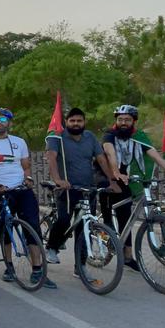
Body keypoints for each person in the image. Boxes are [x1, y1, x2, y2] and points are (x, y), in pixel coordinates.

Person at [0, 108, 55, 289]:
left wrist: (28, 178)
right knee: (5, 228)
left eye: (3, 119)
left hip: (21, 190)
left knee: (32, 227)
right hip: (1, 191)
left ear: (10, 123)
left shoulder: (19, 142)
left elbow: (26, 167)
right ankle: (9, 266)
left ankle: (37, 270)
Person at [100, 105, 165, 271]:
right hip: (106, 176)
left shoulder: (139, 137)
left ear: (134, 121)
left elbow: (155, 156)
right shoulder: (109, 134)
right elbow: (110, 153)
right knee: (109, 212)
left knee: (125, 217)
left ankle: (128, 257)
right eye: (120, 119)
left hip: (125, 179)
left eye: (127, 120)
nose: (123, 123)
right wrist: (116, 172)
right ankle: (106, 229)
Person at [44, 108, 117, 277]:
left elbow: (101, 159)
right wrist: (58, 180)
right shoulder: (57, 137)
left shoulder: (90, 137)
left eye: (79, 121)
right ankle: (52, 248)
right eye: (72, 121)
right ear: (66, 122)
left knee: (85, 228)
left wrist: (111, 180)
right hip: (67, 188)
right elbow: (51, 158)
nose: (76, 124)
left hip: (87, 189)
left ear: (84, 122)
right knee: (64, 220)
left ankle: (80, 267)